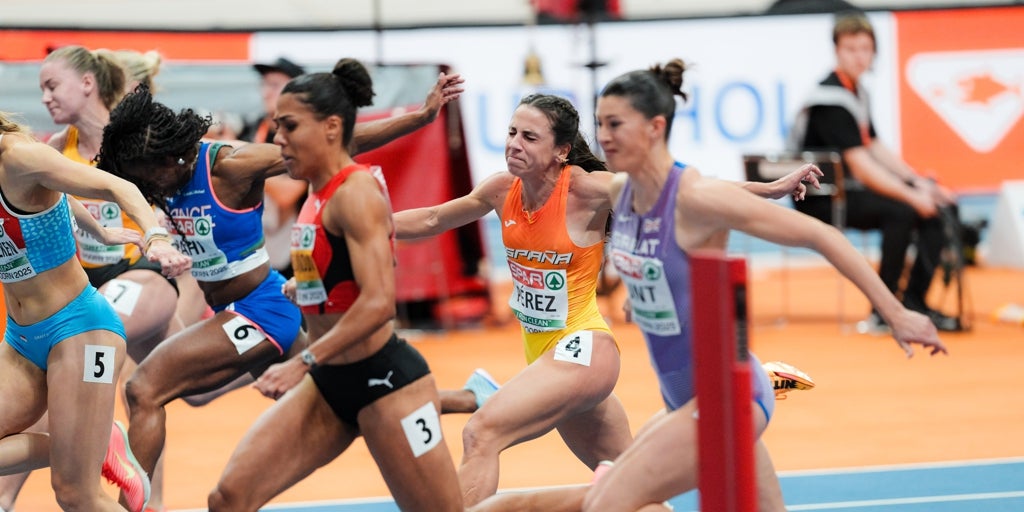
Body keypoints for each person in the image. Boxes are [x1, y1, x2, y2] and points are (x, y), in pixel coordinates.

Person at [474, 58, 949, 512]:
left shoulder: (692, 196)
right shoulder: (627, 194)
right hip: (686, 400)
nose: (601, 136)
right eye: (600, 123)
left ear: (655, 127)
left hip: (722, 401)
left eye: (615, 124)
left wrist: (897, 313)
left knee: (608, 499)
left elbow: (821, 235)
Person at [391, 92, 823, 507]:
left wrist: (769, 190)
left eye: (529, 137)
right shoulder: (502, 189)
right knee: (629, 485)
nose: (513, 145)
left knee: (481, 433)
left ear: (561, 151)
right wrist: (369, 224)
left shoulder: (585, 190)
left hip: (584, 351)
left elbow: (682, 190)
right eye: (510, 133)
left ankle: (751, 384)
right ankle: (754, 384)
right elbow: (432, 218)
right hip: (544, 357)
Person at [97, 64, 464, 507]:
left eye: (147, 175)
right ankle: (463, 398)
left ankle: (137, 505)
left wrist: (419, 118)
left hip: (259, 309)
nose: (148, 186)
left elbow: (342, 146)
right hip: (252, 309)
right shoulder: (156, 180)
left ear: (169, 155)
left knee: (143, 388)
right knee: (338, 386)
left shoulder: (231, 166)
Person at [207, 57, 463, 512]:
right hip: (330, 383)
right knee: (229, 498)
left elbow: (380, 303)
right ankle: (464, 399)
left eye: (288, 126)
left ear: (329, 127)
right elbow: (334, 272)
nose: (278, 137)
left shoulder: (356, 193)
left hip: (386, 381)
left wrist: (302, 361)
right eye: (275, 125)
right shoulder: (315, 189)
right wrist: (305, 289)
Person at [0, 112, 190, 511]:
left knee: (76, 494)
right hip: (20, 340)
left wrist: (153, 236)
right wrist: (98, 231)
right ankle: (97, 443)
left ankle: (88, 445)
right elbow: (56, 194)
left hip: (80, 331)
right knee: (74, 468)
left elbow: (115, 185)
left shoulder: (19, 157)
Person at [788, 13, 960, 332]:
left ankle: (914, 302)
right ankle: (884, 310)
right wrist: (913, 196)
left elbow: (876, 148)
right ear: (837, 51)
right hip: (820, 198)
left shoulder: (857, 92)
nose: (859, 56)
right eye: (850, 48)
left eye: (865, 48)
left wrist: (921, 184)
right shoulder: (830, 100)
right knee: (902, 212)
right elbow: (863, 167)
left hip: (848, 191)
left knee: (937, 208)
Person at [241, 57, 310, 279]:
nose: (265, 93)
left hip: (294, 248)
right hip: (254, 246)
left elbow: (287, 194)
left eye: (274, 85)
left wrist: (247, 165)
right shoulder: (253, 129)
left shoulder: (305, 136)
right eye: (264, 84)